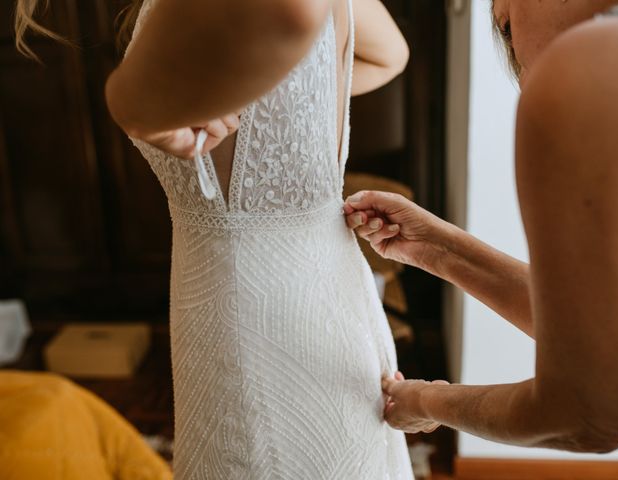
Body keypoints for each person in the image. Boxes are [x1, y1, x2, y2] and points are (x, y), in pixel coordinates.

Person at [15, 0, 415, 477]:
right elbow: (388, 54)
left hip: (255, 322)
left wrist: (128, 104)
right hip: (322, 294)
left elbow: (294, 11)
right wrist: (283, 94)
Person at [344, 0, 618, 453]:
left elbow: (582, 417)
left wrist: (423, 399)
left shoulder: (595, 65)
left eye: (502, 25)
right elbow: (610, 338)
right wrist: (439, 249)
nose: (514, 56)